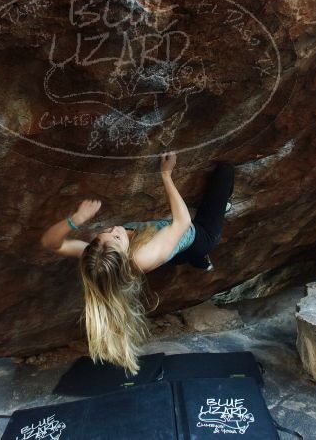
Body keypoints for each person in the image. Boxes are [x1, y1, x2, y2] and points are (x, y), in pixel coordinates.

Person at [40, 152, 235, 375]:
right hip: (200, 235)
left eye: (103, 233)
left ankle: (198, 261)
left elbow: (50, 243)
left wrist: (75, 220)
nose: (113, 229)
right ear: (125, 256)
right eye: (115, 238)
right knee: (225, 172)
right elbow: (183, 221)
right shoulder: (143, 256)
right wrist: (166, 175)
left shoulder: (104, 258)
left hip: (173, 248)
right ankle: (215, 227)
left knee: (180, 255)